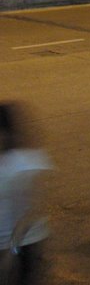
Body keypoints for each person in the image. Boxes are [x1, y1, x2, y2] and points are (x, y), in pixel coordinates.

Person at [0, 103, 53, 285]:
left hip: (20, 239)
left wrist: (13, 248)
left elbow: (29, 206)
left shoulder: (17, 164)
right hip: (25, 237)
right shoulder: (28, 160)